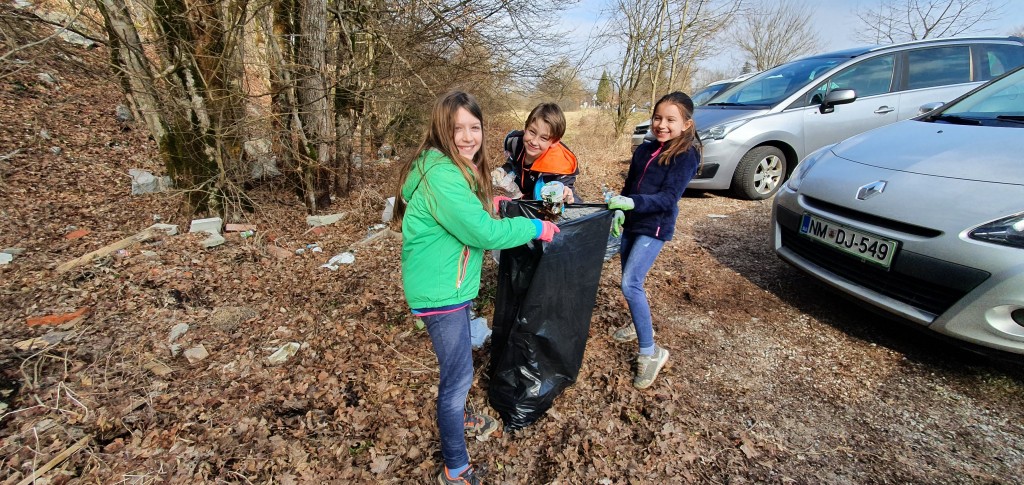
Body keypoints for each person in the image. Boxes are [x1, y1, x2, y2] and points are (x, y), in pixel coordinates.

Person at [394, 91, 559, 485]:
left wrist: (496, 204)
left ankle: (462, 417)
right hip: (441, 294)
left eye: (475, 127)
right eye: (458, 129)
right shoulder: (442, 175)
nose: (468, 137)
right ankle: (455, 468)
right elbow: (482, 233)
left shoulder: (446, 166)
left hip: (449, 284)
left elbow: (467, 212)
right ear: (441, 130)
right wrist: (536, 227)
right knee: (457, 379)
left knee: (459, 371)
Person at [607, 91, 701, 389]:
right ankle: (636, 324)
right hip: (632, 223)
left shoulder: (686, 156)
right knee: (627, 277)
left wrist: (631, 204)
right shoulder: (645, 149)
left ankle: (651, 352)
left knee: (630, 283)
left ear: (686, 124)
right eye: (657, 117)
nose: (662, 124)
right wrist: (619, 208)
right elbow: (629, 185)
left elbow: (667, 199)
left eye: (671, 120)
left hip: (654, 227)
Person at [492, 102, 579, 203]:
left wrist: (565, 195)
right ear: (525, 128)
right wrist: (503, 170)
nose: (534, 142)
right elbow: (512, 162)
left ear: (554, 142)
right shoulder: (515, 143)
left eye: (544, 138)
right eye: (532, 132)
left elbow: (566, 190)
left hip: (539, 208)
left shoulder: (560, 166)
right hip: (521, 198)